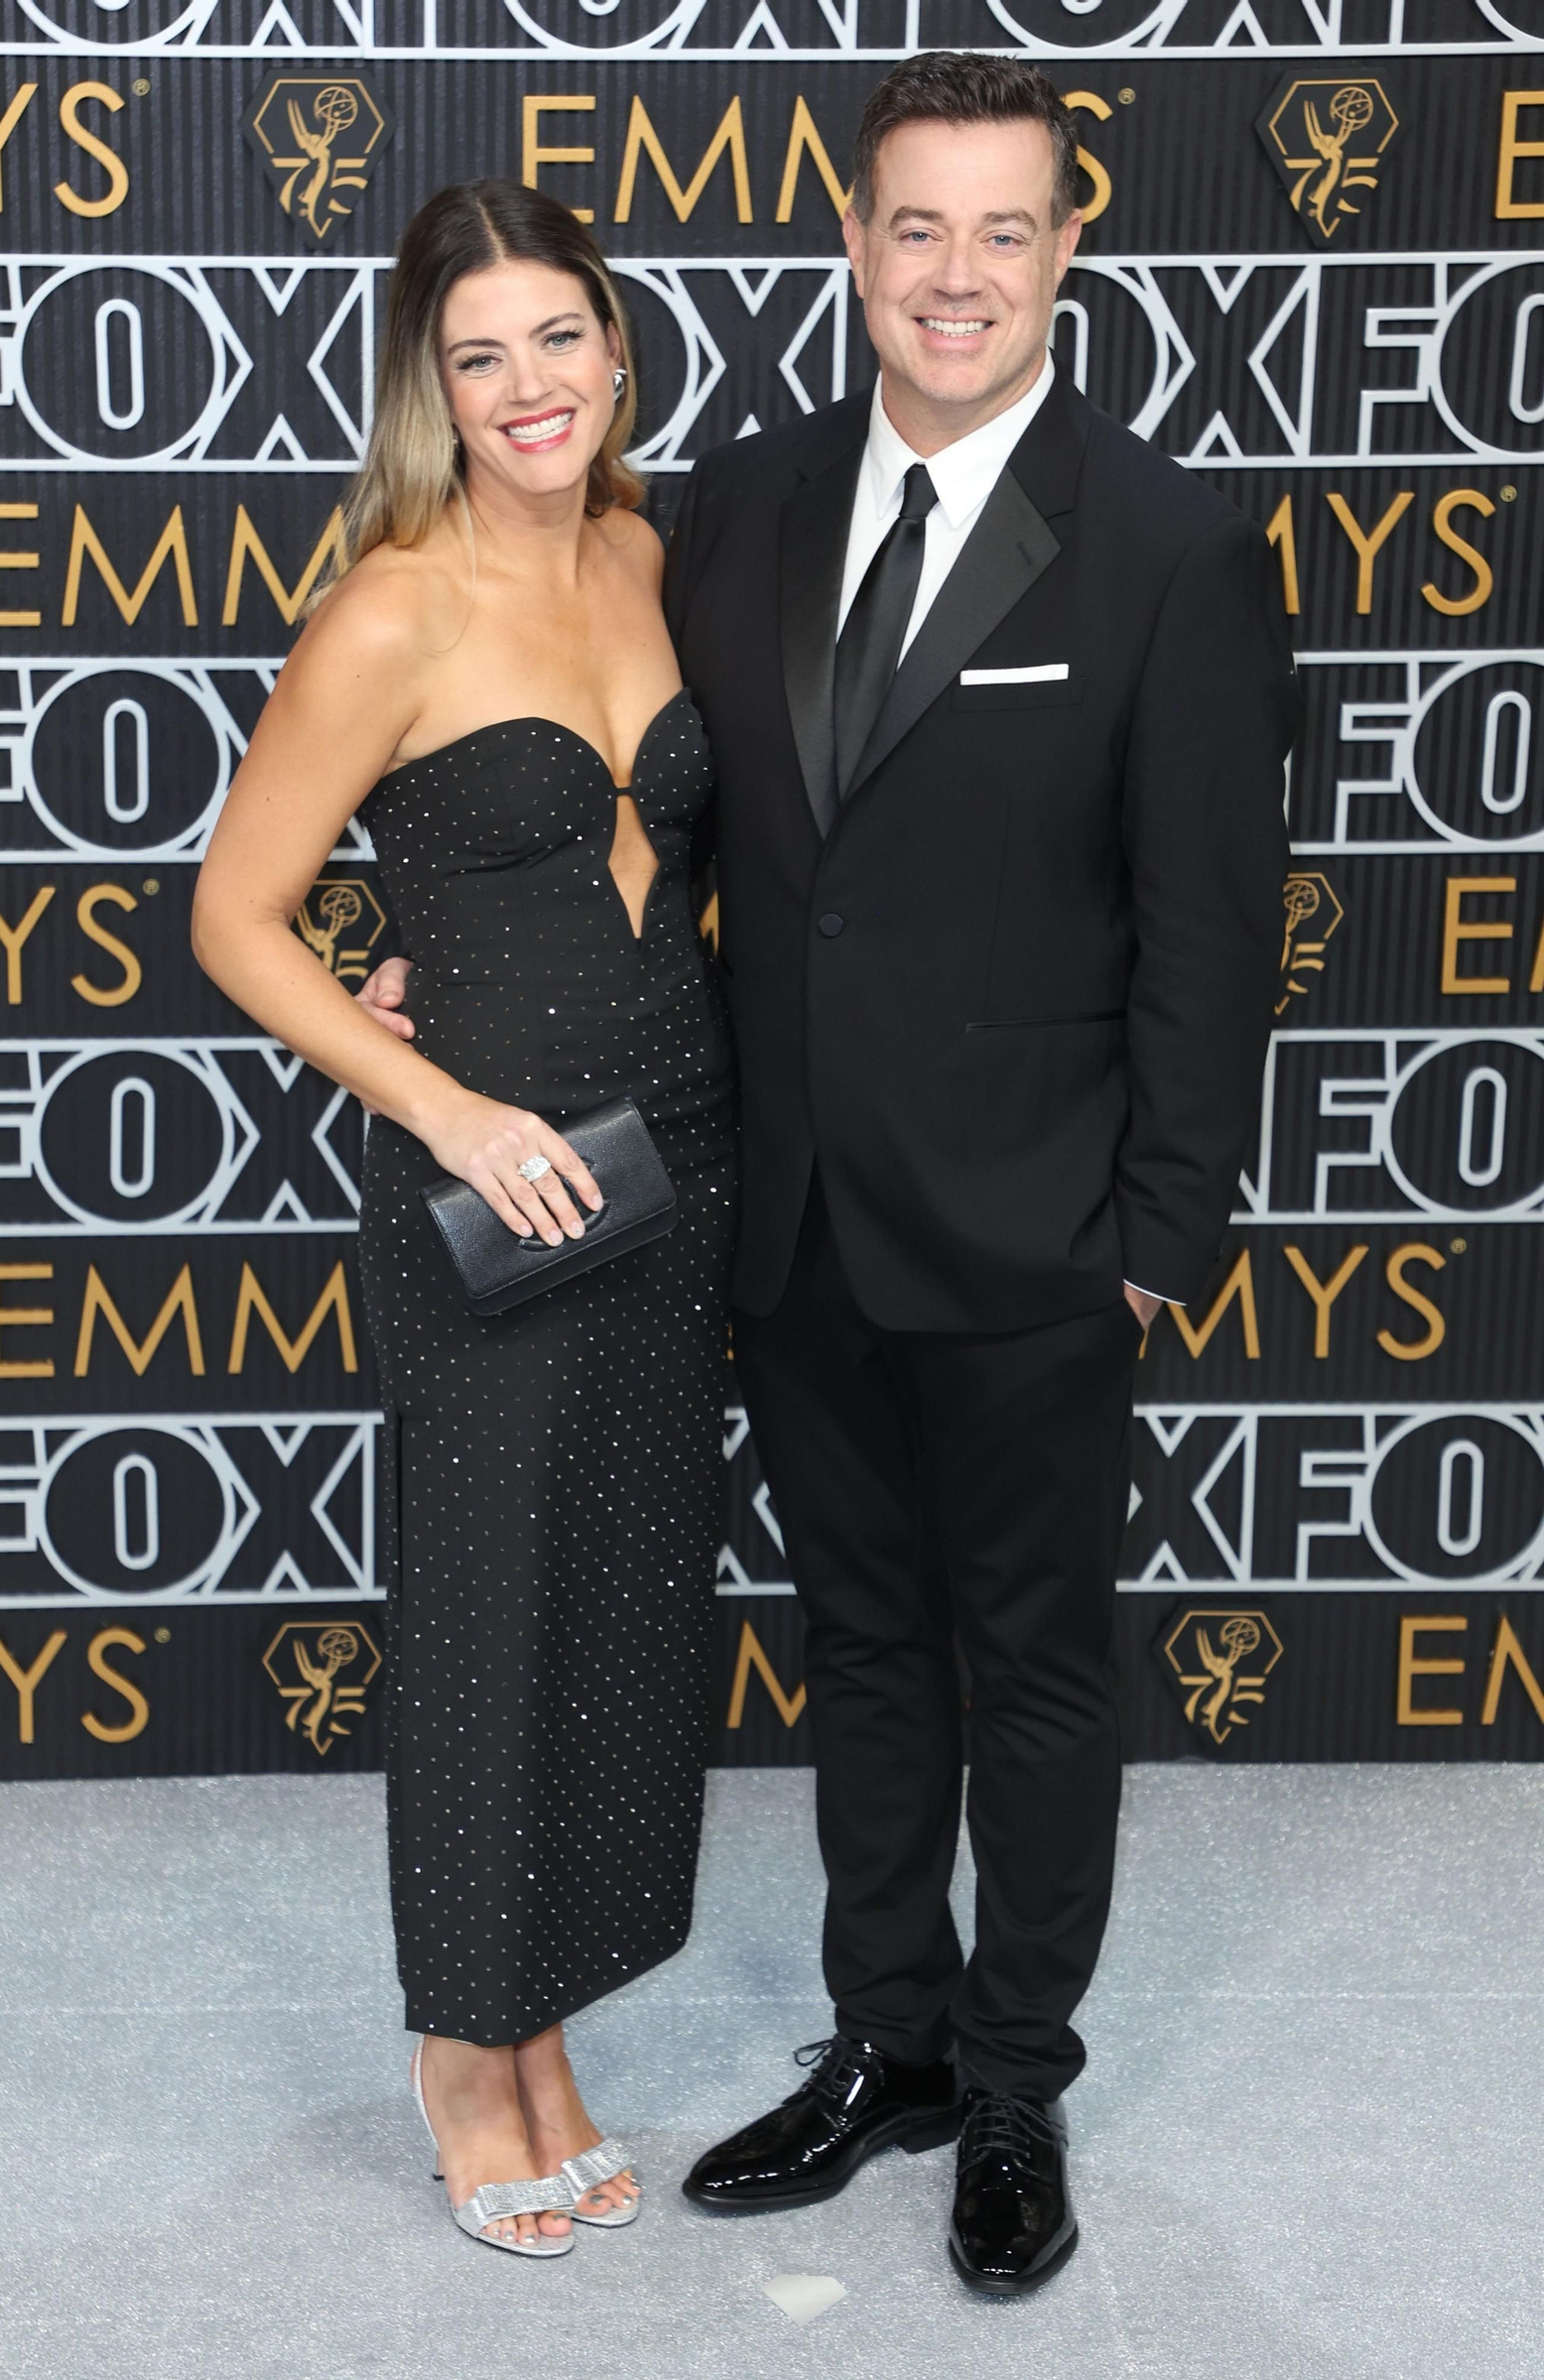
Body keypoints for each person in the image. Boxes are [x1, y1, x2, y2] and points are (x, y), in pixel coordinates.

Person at [661, 52, 1293, 2294]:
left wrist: (1158, 1240)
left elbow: (1211, 924)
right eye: (913, 227)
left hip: (1041, 1239)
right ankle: (885, 2039)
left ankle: (1013, 2076)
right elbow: (666, 832)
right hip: (799, 1217)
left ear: (1062, 252)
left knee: (1026, 1663)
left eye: (999, 231)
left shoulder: (1163, 542)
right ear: (851, 240)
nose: (954, 275)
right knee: (858, 1655)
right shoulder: (731, 507)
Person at [193, 180, 735, 2259]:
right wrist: (435, 1087)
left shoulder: (647, 557)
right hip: (481, 1187)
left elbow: (683, 861)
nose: (528, 387)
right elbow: (234, 918)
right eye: (478, 353)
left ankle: (549, 2028)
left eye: (558, 339)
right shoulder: (390, 610)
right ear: (433, 384)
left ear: (616, 347)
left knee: (613, 1614)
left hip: (677, 1156)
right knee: (486, 1619)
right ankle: (459, 2050)